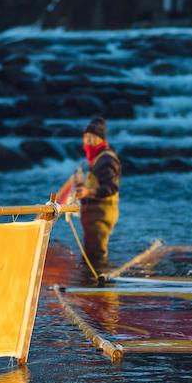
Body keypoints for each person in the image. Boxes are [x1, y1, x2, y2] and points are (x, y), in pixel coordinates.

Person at [75, 116, 120, 271]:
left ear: (101, 139)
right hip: (93, 218)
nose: (88, 141)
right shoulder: (96, 159)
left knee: (96, 256)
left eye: (92, 137)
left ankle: (99, 288)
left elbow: (111, 187)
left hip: (101, 218)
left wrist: (88, 191)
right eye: (86, 137)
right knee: (90, 254)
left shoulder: (106, 160)